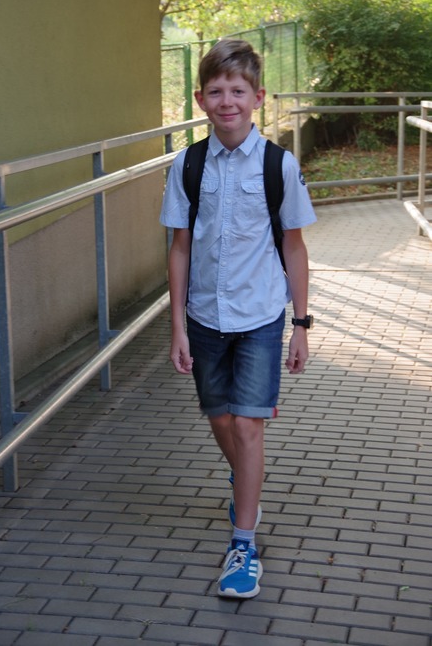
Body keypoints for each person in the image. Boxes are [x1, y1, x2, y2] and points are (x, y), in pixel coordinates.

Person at [160, 39, 316, 599]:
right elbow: (180, 248)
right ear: (200, 99)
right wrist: (177, 326)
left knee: (249, 427)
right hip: (204, 317)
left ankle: (243, 544)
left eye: (238, 91)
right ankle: (245, 475)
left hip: (259, 317)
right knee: (221, 420)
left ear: (258, 97)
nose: (227, 101)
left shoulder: (279, 164)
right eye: (217, 91)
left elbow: (294, 247)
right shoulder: (187, 165)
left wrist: (301, 324)